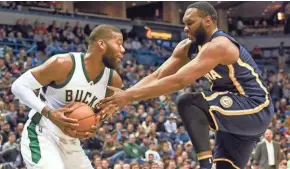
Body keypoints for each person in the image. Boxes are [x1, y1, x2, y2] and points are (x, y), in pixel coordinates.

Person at [99, 2, 274, 169]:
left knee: (188, 102)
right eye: (184, 23)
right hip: (233, 116)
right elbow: (158, 75)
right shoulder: (186, 47)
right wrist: (125, 96)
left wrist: (128, 97)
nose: (185, 28)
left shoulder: (219, 45)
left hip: (255, 107)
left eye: (190, 22)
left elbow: (179, 81)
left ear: (207, 21)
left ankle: (205, 165)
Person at [11, 24, 124, 169]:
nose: (123, 50)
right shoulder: (64, 64)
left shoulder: (113, 81)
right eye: (119, 44)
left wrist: (93, 125)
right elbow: (18, 86)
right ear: (101, 44)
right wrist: (49, 113)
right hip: (42, 134)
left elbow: (97, 115)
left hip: (71, 142)